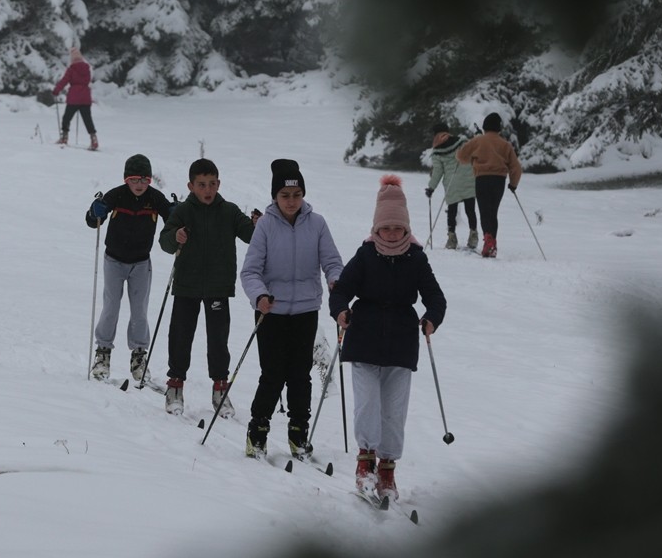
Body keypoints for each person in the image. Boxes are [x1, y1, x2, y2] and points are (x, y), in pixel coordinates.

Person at [329, 174, 446, 501]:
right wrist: (341, 312)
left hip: (401, 343)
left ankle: (387, 470)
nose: (392, 234)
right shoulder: (365, 255)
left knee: (394, 411)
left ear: (407, 229)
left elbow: (436, 299)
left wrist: (431, 319)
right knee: (367, 404)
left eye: (398, 228)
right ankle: (364, 462)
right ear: (376, 229)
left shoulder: (417, 258)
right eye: (386, 228)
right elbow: (341, 293)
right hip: (363, 338)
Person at [239, 159, 343, 459]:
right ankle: (257, 432)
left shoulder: (318, 223)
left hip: (306, 310)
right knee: (272, 374)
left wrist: (336, 281)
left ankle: (299, 433)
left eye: (297, 195)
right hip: (270, 311)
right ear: (275, 197)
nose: (291, 201)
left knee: (300, 375)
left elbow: (332, 262)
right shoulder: (266, 226)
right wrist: (259, 296)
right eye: (285, 196)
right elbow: (250, 271)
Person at [158, 159, 259, 417]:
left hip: (217, 286)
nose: (208, 190)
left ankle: (220, 389)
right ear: (191, 186)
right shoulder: (182, 211)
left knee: (218, 340)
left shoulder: (228, 211)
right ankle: (175, 386)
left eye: (212, 184)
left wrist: (259, 225)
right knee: (181, 336)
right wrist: (175, 236)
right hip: (186, 285)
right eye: (202, 185)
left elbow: (251, 235)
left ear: (219, 184)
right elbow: (165, 242)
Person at [85, 155, 174, 382]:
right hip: (114, 260)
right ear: (127, 179)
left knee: (139, 310)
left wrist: (176, 212)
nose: (139, 185)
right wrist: (95, 211)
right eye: (134, 179)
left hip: (141, 263)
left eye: (144, 180)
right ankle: (102, 353)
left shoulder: (154, 198)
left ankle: (139, 356)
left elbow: (172, 217)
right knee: (111, 306)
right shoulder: (117, 195)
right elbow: (92, 219)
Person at [456, 112, 522, 258]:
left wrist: (472, 158)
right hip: (499, 181)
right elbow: (516, 167)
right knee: (493, 212)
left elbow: (461, 156)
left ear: (485, 127)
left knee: (484, 211)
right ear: (499, 128)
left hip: (482, 179)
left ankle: (489, 242)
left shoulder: (478, 141)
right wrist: (513, 184)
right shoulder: (505, 145)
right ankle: (492, 243)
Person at [426, 122, 479, 250]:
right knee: (470, 209)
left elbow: (438, 172)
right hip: (468, 179)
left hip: (452, 182)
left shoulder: (437, 151)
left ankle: (452, 238)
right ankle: (473, 235)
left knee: (452, 210)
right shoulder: (462, 142)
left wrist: (431, 187)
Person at [52, 47, 97, 150]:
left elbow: (64, 81)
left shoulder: (71, 69)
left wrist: (56, 90)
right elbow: (87, 80)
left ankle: (64, 137)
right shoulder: (87, 69)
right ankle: (93, 138)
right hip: (85, 98)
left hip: (74, 98)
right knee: (87, 119)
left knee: (66, 118)